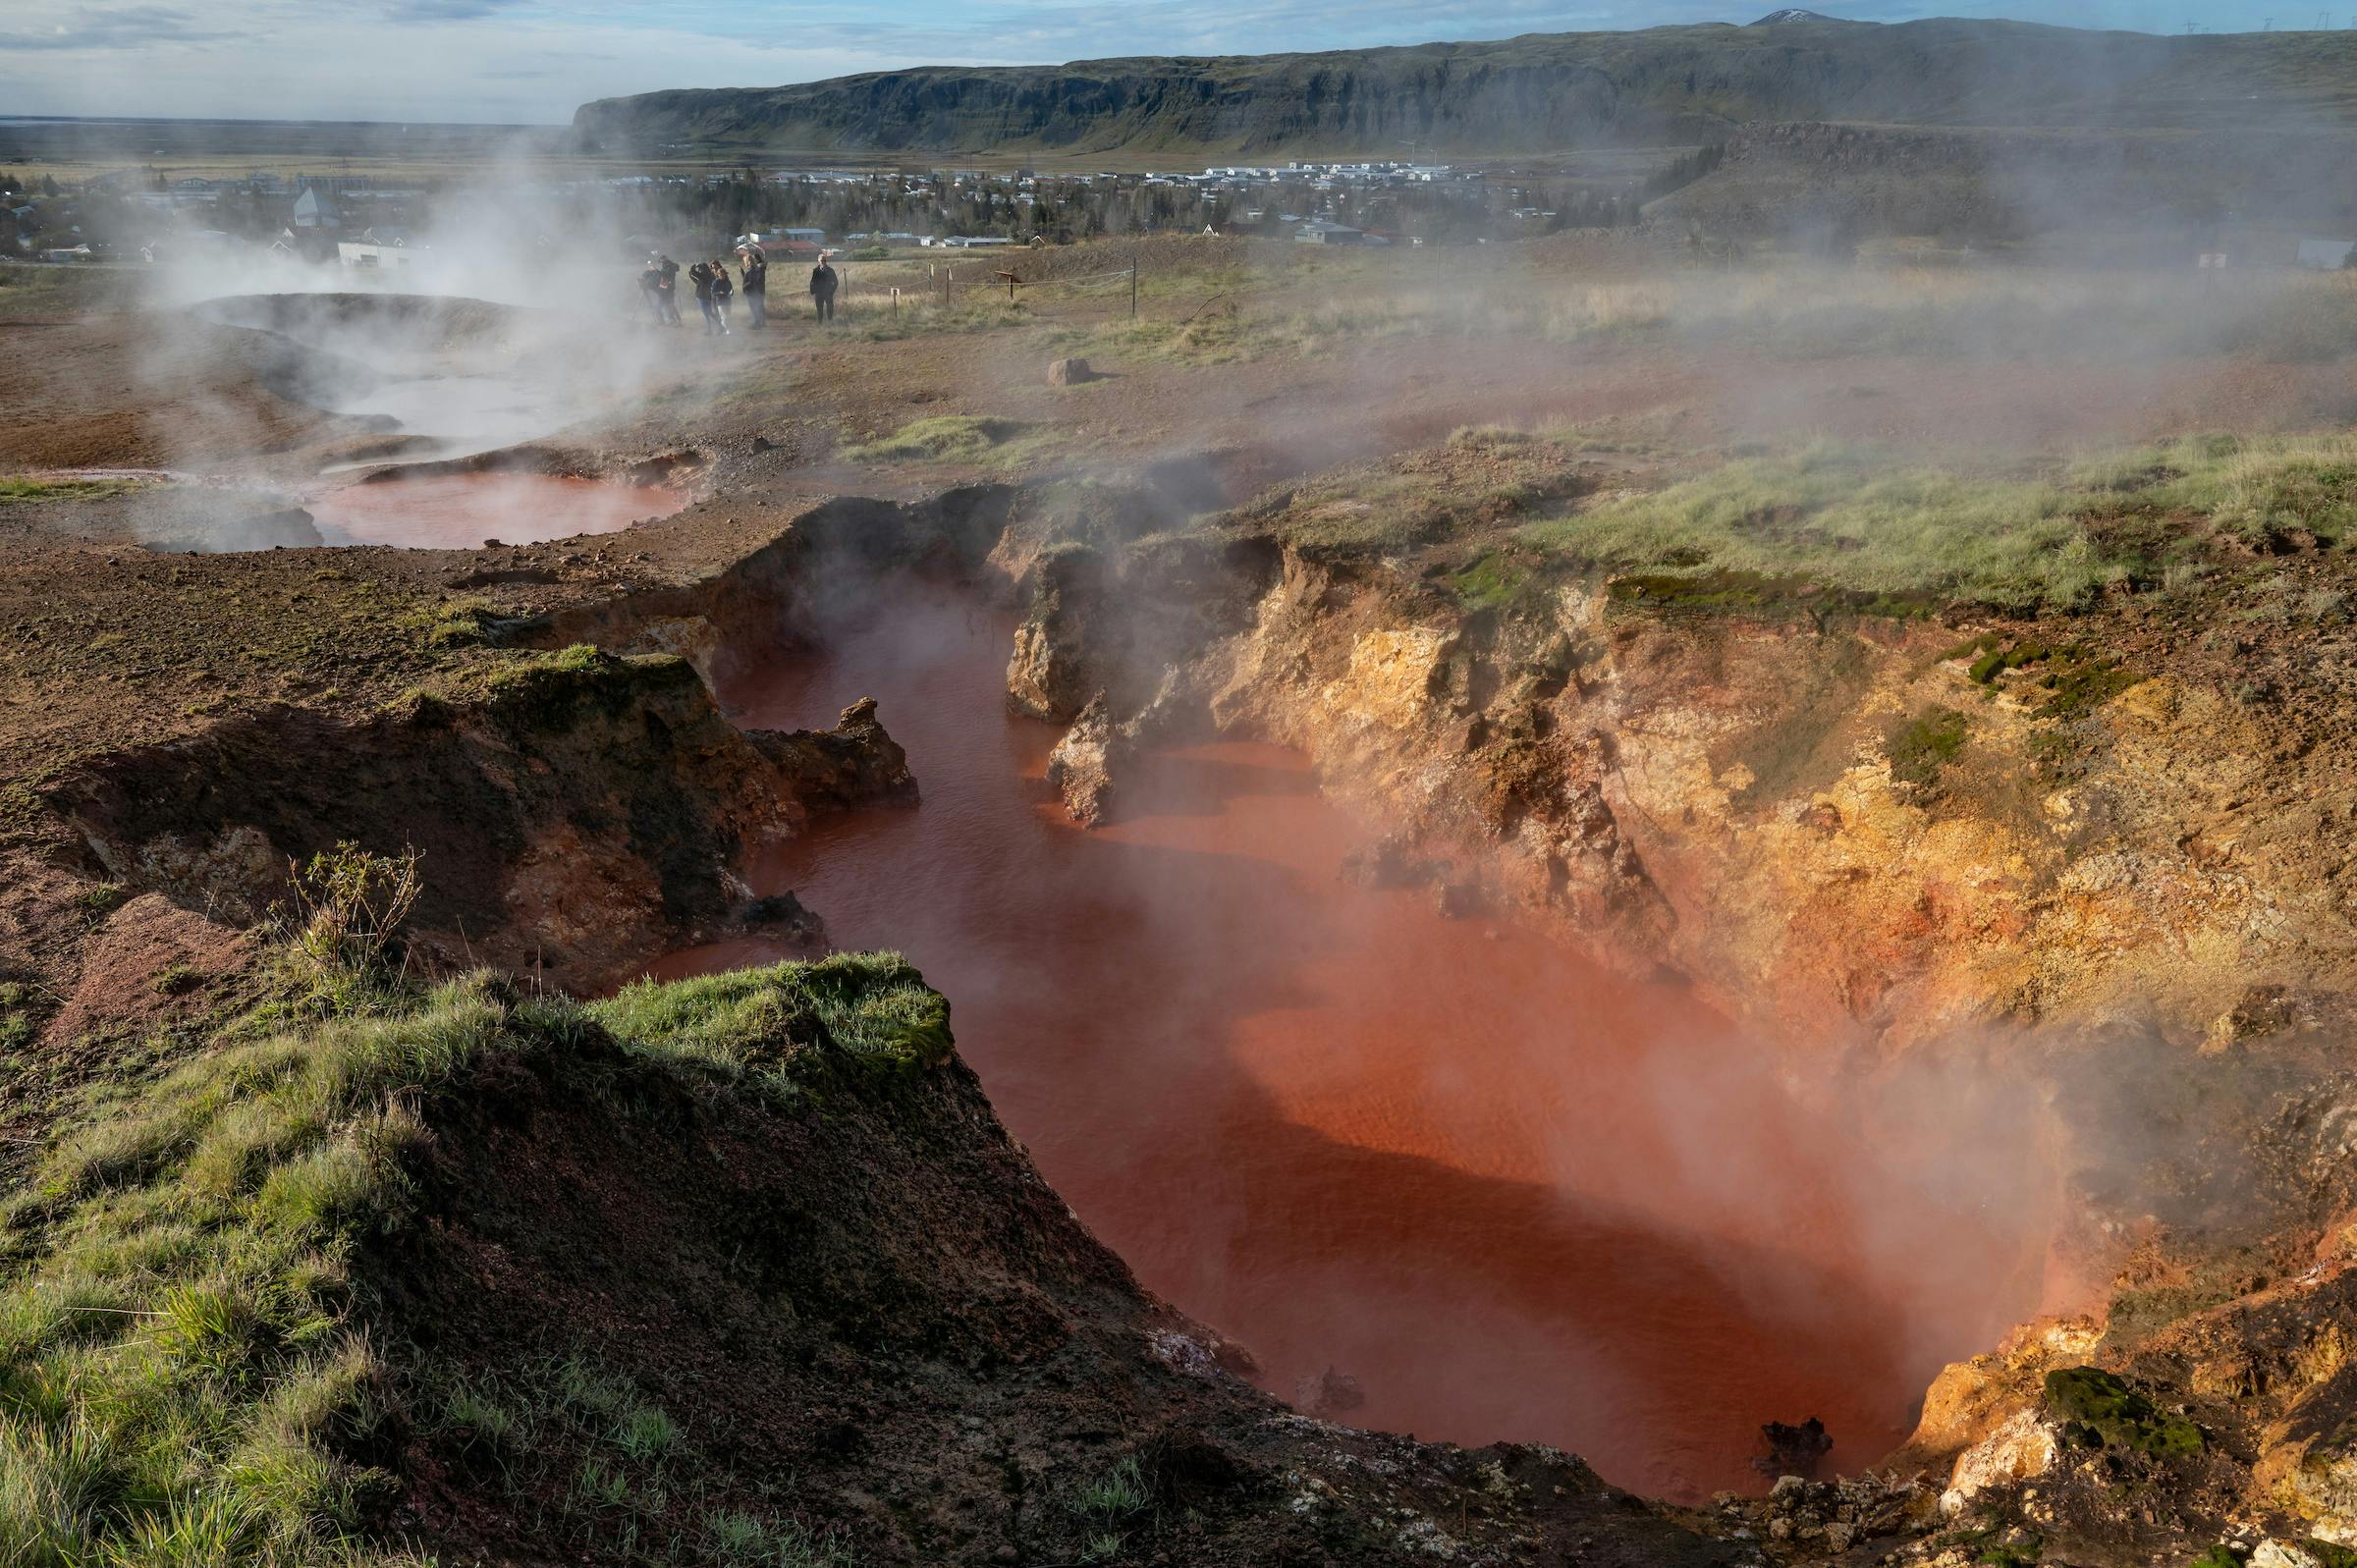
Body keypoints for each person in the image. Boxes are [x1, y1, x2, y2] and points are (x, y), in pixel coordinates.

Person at [739, 244, 767, 329]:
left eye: (746, 261)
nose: (745, 263)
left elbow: (752, 281)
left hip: (753, 293)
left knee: (755, 308)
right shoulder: (754, 270)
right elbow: (748, 279)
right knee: (757, 308)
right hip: (754, 292)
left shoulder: (753, 270)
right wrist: (742, 273)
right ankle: (760, 322)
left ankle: (757, 323)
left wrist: (745, 286)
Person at [688, 259, 719, 335]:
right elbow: (699, 283)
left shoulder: (703, 274)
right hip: (708, 297)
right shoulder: (711, 275)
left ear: (702, 268)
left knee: (706, 314)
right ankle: (720, 324)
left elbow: (693, 272)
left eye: (699, 268)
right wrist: (691, 277)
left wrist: (694, 265)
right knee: (709, 312)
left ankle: (710, 330)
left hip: (701, 297)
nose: (698, 270)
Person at [650, 252, 682, 325]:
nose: (661, 263)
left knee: (669, 305)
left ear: (664, 260)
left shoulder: (669, 266)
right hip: (666, 287)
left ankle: (673, 320)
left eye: (662, 261)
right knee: (670, 305)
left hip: (667, 287)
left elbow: (664, 274)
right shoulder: (670, 265)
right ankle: (675, 320)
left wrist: (655, 270)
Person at [809, 250, 839, 323]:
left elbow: (836, 282)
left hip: (828, 293)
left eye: (824, 260)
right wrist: (813, 291)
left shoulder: (830, 270)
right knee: (819, 309)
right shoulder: (815, 270)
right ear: (819, 261)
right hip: (819, 293)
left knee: (830, 308)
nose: (823, 262)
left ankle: (830, 322)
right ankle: (820, 324)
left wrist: (831, 292)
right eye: (822, 260)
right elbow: (813, 281)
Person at [709, 256, 734, 335]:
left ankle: (724, 329)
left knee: (727, 315)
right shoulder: (714, 279)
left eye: (715, 267)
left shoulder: (726, 279)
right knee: (721, 315)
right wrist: (719, 292)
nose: (714, 269)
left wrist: (731, 292)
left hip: (726, 299)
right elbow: (712, 290)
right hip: (717, 299)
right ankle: (724, 329)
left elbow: (730, 288)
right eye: (713, 268)